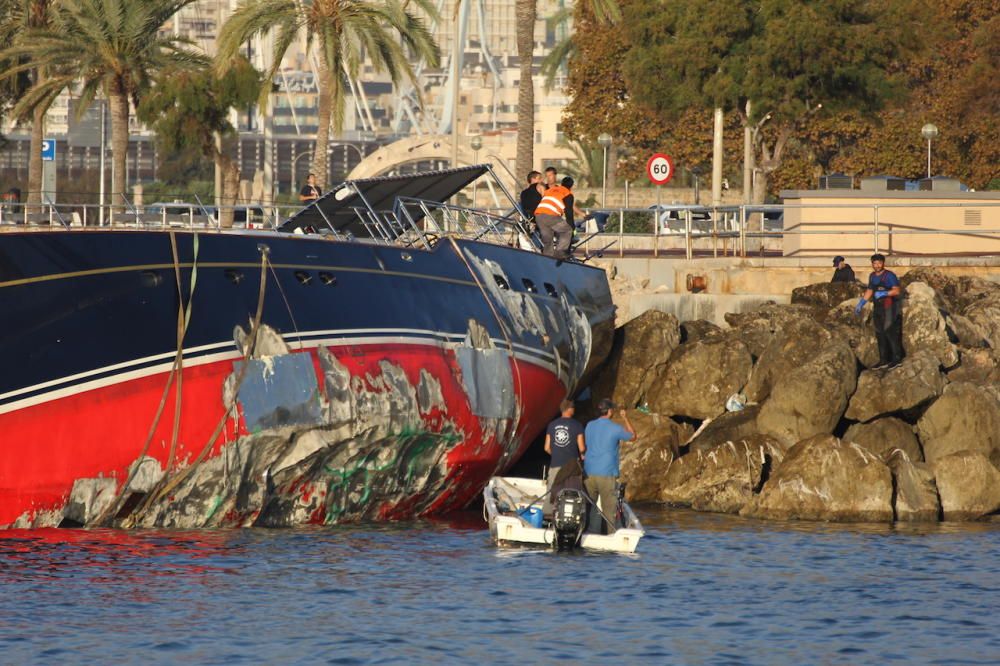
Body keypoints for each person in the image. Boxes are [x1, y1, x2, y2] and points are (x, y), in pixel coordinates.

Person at [583, 398, 636, 533]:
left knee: (587, 507)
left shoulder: (589, 425)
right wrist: (625, 418)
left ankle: (584, 533)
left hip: (588, 472)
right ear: (610, 411)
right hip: (606, 473)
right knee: (609, 510)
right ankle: (609, 537)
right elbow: (633, 436)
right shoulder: (615, 428)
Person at [855, 253, 903, 369]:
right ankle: (883, 360)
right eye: (875, 263)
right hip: (878, 308)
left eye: (879, 263)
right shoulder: (872, 276)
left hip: (889, 307)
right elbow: (870, 290)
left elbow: (897, 291)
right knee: (879, 333)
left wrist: (884, 293)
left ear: (883, 263)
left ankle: (897, 359)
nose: (877, 265)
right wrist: (861, 303)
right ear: (872, 264)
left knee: (889, 331)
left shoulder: (889, 275)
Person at [543, 399, 585, 494]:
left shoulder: (552, 425)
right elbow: (582, 448)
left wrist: (556, 455)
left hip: (555, 465)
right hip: (572, 468)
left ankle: (549, 509)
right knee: (572, 496)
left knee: (552, 495)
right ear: (569, 409)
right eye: (573, 407)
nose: (574, 409)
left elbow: (546, 448)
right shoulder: (577, 425)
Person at [534, 176, 575, 259]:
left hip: (538, 215)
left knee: (548, 240)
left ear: (562, 183)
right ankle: (560, 252)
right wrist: (572, 226)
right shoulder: (567, 193)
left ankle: (548, 260)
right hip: (551, 215)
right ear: (571, 186)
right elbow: (569, 212)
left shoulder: (550, 190)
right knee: (567, 230)